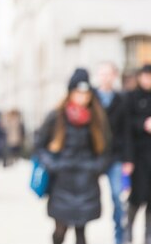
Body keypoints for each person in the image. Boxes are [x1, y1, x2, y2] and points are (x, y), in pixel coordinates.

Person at [35, 68, 110, 244]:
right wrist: (52, 164)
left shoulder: (97, 118)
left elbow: (106, 148)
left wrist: (97, 167)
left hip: (86, 182)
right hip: (62, 182)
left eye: (86, 93)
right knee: (60, 231)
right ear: (70, 93)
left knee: (81, 232)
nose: (82, 97)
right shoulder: (56, 116)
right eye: (78, 92)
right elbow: (39, 145)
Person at [93, 61, 130, 244]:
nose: (105, 77)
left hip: (115, 156)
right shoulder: (90, 97)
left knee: (117, 195)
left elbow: (126, 131)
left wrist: (128, 159)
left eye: (108, 74)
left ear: (115, 76)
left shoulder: (122, 99)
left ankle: (119, 236)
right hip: (94, 155)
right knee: (85, 195)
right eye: (102, 73)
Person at [124, 64, 151, 244]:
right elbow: (126, 129)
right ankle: (129, 229)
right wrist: (144, 124)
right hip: (138, 157)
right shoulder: (131, 97)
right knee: (136, 197)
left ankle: (148, 235)